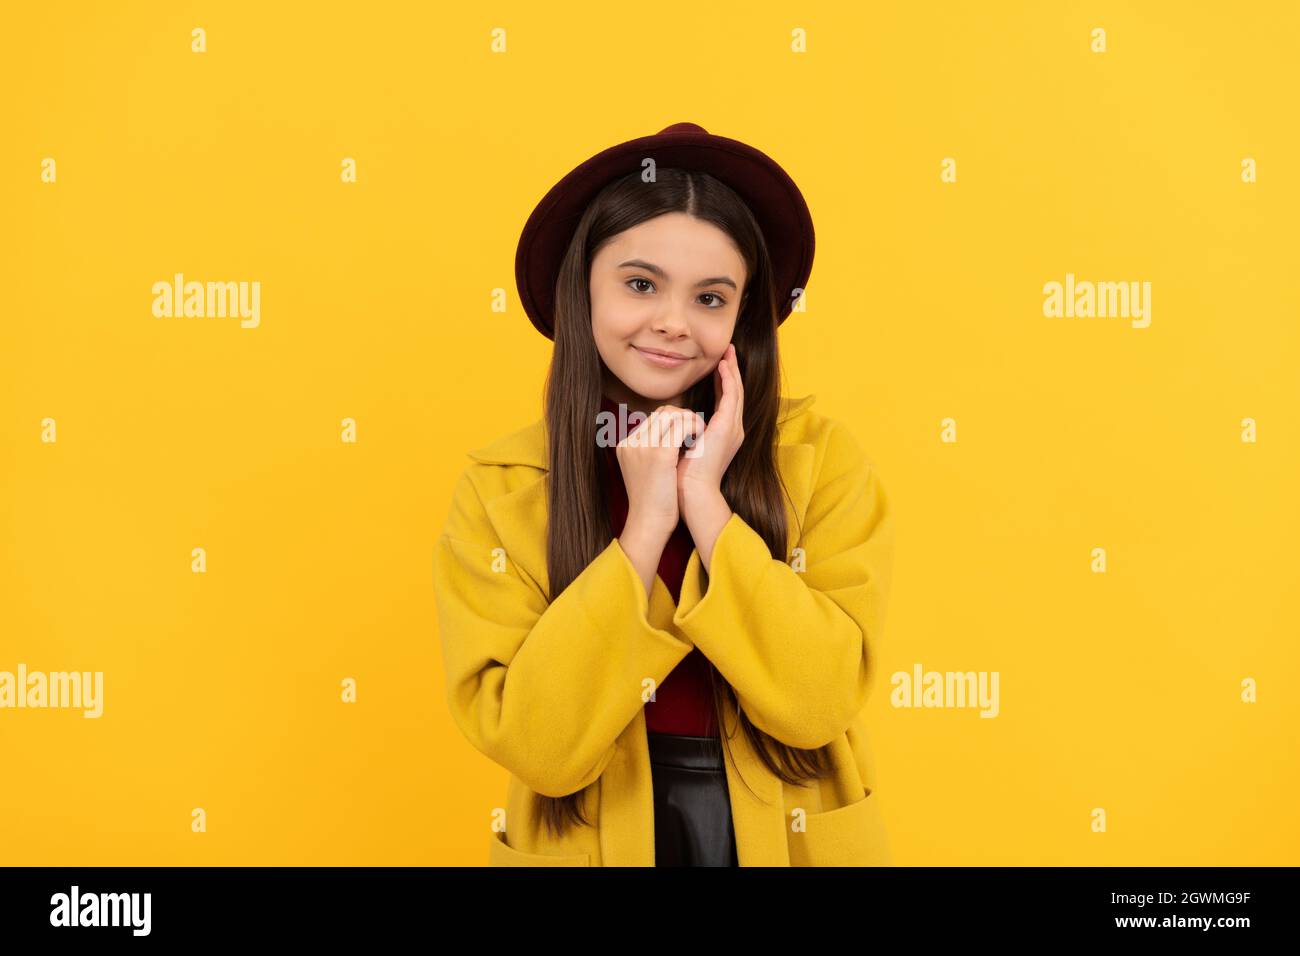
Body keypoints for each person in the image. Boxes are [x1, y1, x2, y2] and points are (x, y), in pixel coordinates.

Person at [433, 123, 895, 866]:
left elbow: (819, 702)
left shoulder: (822, 462)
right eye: (640, 284)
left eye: (711, 297)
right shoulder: (502, 492)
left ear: (742, 320)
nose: (674, 323)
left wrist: (705, 505)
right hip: (593, 835)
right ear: (582, 289)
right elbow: (539, 747)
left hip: (789, 829)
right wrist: (645, 527)